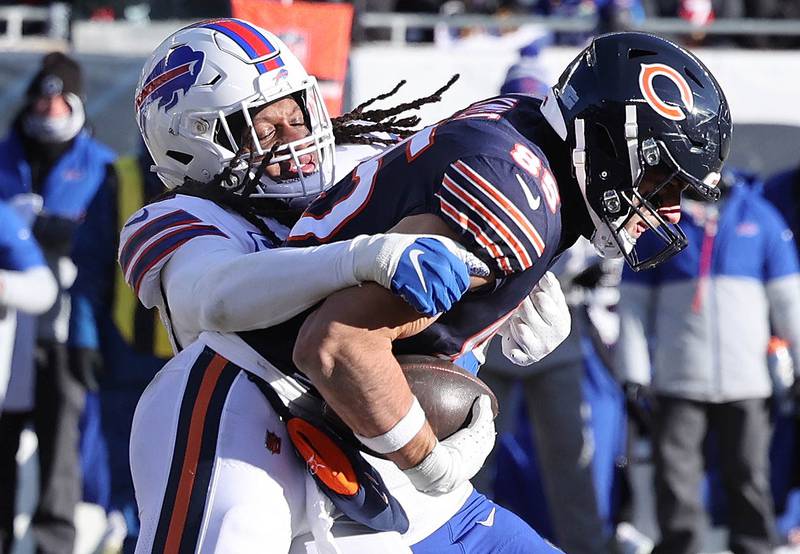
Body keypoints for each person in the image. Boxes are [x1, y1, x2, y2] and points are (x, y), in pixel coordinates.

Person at [124, 21, 731, 553]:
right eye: (261, 125)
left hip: (360, 432)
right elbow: (217, 296)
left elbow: (434, 246)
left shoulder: (360, 159)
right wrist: (361, 258)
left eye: (297, 112)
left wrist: (510, 292)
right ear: (190, 141)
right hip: (240, 411)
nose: (295, 138)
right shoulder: (177, 220)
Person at [615, 170, 800, 554]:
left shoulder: (761, 217)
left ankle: (755, 547)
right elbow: (632, 305)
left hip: (748, 383)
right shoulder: (661, 224)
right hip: (678, 382)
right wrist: (633, 373)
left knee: (750, 476)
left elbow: (789, 302)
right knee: (676, 480)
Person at [0, 52, 117, 554]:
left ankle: (55, 541)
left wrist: (64, 234)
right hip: (7, 335)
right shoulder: (5, 158)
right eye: (41, 98)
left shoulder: (102, 167)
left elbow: (110, 249)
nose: (48, 109)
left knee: (62, 440)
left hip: (65, 328)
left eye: (58, 99)